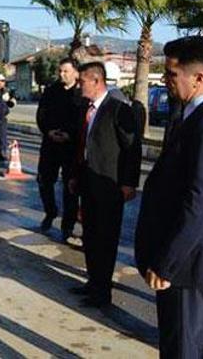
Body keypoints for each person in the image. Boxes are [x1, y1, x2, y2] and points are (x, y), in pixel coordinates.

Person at [135, 36, 203, 357]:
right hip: (188, 261)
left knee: (183, 348)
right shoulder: (186, 115)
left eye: (171, 75)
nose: (165, 82)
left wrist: (167, 263)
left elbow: (199, 201)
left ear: (199, 78)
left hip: (187, 267)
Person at [69, 62, 142, 308]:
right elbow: (82, 147)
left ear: (97, 81)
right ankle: (93, 282)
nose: (79, 86)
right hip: (87, 183)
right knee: (89, 236)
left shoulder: (118, 110)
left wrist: (129, 182)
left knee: (105, 239)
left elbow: (132, 148)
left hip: (109, 185)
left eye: (82, 82)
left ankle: (103, 292)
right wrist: (75, 177)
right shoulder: (85, 110)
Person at [36, 58, 83, 241]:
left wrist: (70, 134)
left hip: (70, 147)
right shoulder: (51, 91)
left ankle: (67, 226)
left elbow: (82, 119)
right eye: (60, 71)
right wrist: (48, 131)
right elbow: (41, 114)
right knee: (44, 180)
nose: (62, 74)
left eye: (66, 71)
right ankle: (50, 211)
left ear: (75, 73)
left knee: (70, 187)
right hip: (50, 143)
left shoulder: (80, 93)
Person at [0, 74, 16, 164]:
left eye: (4, 81)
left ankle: (3, 157)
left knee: (3, 138)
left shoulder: (6, 91)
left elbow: (10, 103)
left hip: (2, 118)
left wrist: (11, 101)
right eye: (1, 81)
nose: (2, 83)